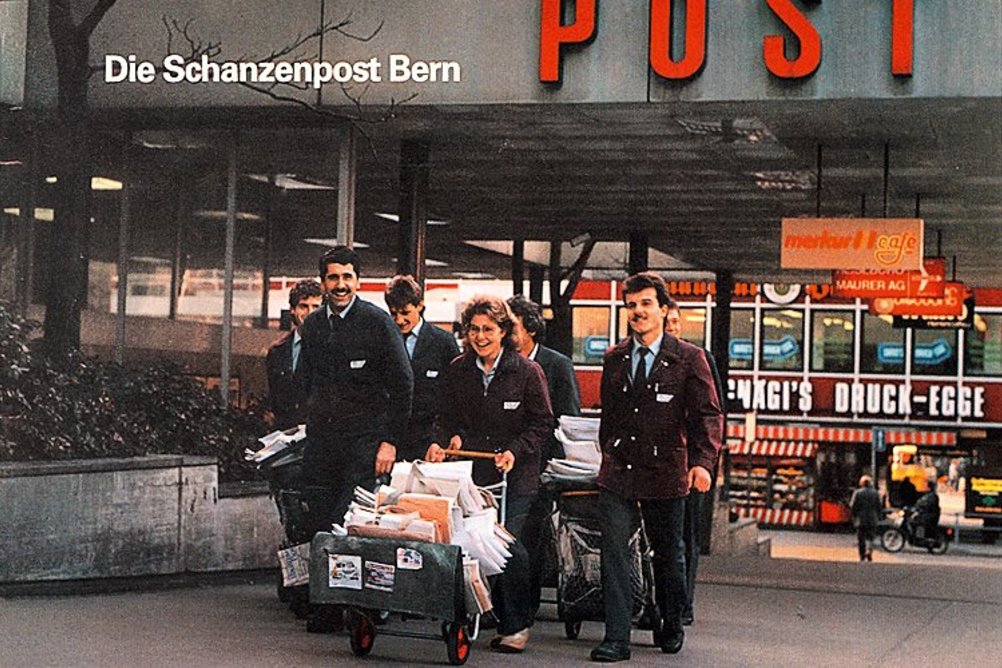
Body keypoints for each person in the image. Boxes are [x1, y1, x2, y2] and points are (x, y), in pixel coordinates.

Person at [590, 273, 722, 663]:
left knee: (668, 554)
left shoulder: (689, 358)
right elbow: (610, 415)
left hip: (667, 472)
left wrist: (702, 464)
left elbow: (708, 416)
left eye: (646, 304)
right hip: (619, 472)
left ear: (664, 310)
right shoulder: (615, 357)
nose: (638, 312)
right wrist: (608, 450)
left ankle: (671, 621)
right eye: (631, 305)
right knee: (614, 550)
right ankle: (617, 637)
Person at [426, 294, 554, 654]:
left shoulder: (528, 372)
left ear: (504, 332)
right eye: (474, 329)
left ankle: (516, 625)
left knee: (504, 544)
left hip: (516, 475)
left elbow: (543, 423)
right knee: (469, 543)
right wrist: (443, 441)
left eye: (488, 329)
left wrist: (516, 450)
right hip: (471, 472)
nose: (480, 336)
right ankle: (474, 612)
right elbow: (445, 418)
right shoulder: (458, 369)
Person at [297, 246, 413, 632]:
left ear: (358, 280)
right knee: (319, 522)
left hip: (364, 442)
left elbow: (403, 385)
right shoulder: (313, 326)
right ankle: (328, 606)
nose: (341, 285)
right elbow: (303, 383)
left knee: (349, 522)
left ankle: (360, 607)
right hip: (322, 443)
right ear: (324, 282)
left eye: (347, 277)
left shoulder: (378, 323)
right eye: (333, 278)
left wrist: (390, 442)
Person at [506, 295, 580, 618]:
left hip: (541, 467)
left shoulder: (557, 365)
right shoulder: (501, 362)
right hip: (504, 462)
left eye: (511, 326)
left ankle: (527, 604)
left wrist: (554, 468)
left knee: (530, 536)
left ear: (531, 329)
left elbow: (568, 420)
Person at [665, 301, 723, 626]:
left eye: (675, 322)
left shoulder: (699, 358)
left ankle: (683, 603)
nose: (671, 327)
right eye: (667, 321)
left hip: (689, 462)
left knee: (686, 534)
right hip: (655, 464)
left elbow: (713, 413)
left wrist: (704, 462)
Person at [384, 275, 460, 462]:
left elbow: (457, 394)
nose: (399, 320)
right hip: (393, 440)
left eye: (405, 312)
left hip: (431, 441)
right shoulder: (384, 341)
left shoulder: (443, 342)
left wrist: (450, 435)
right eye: (393, 314)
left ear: (420, 305)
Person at [264, 279, 323, 430]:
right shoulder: (277, 351)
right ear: (292, 309)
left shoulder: (335, 349)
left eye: (316, 307)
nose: (310, 313)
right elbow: (274, 400)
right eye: (303, 306)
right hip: (285, 438)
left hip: (322, 440)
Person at [849, 475, 882, 561]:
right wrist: (879, 516)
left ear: (861, 483)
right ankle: (869, 551)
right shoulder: (875, 493)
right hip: (872, 519)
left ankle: (862, 555)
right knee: (871, 537)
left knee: (861, 538)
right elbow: (879, 506)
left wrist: (854, 516)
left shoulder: (858, 493)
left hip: (861, 519)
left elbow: (853, 506)